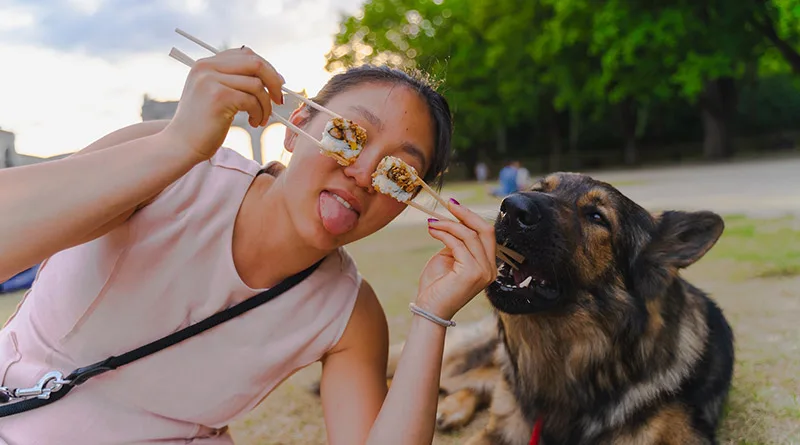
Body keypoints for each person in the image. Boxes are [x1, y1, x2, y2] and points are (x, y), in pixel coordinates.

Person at [0, 48, 497, 444]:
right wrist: (176, 147)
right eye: (348, 135)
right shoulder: (168, 165)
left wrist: (432, 316)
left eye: (399, 174)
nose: (363, 175)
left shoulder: (349, 315)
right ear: (295, 125)